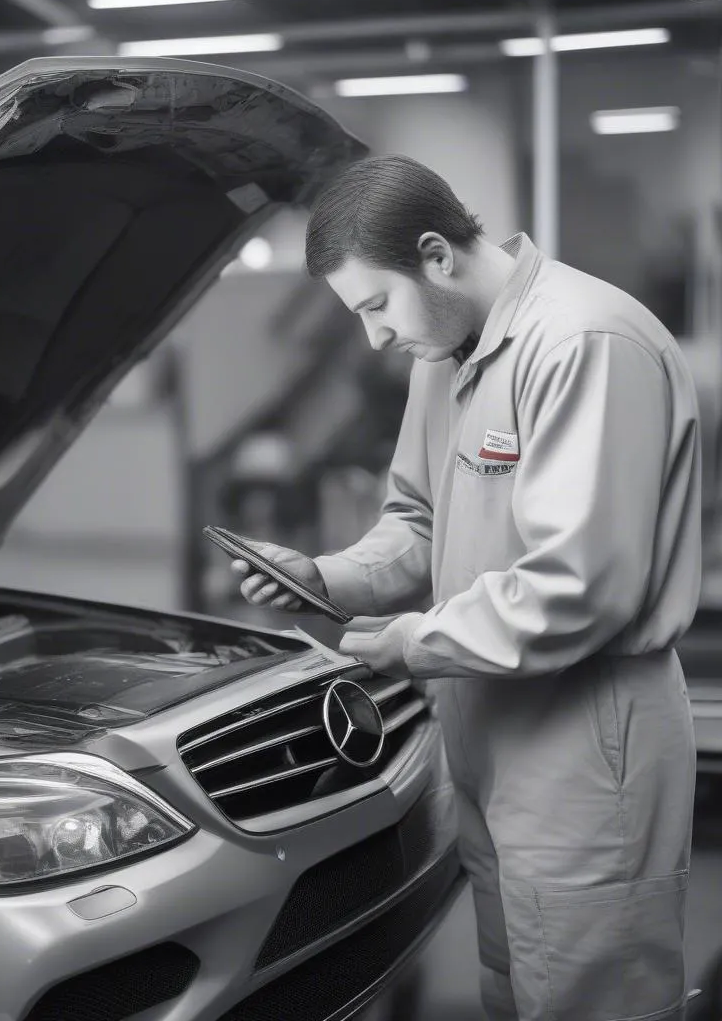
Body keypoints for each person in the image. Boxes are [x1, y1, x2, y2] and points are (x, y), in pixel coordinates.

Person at [231, 154, 700, 1020]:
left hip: (588, 739)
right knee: (514, 982)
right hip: (485, 724)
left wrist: (411, 645)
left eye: (375, 306)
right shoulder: (441, 354)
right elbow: (417, 522)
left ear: (437, 255)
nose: (373, 337)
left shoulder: (583, 344)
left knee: (593, 998)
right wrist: (327, 577)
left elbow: (579, 587)